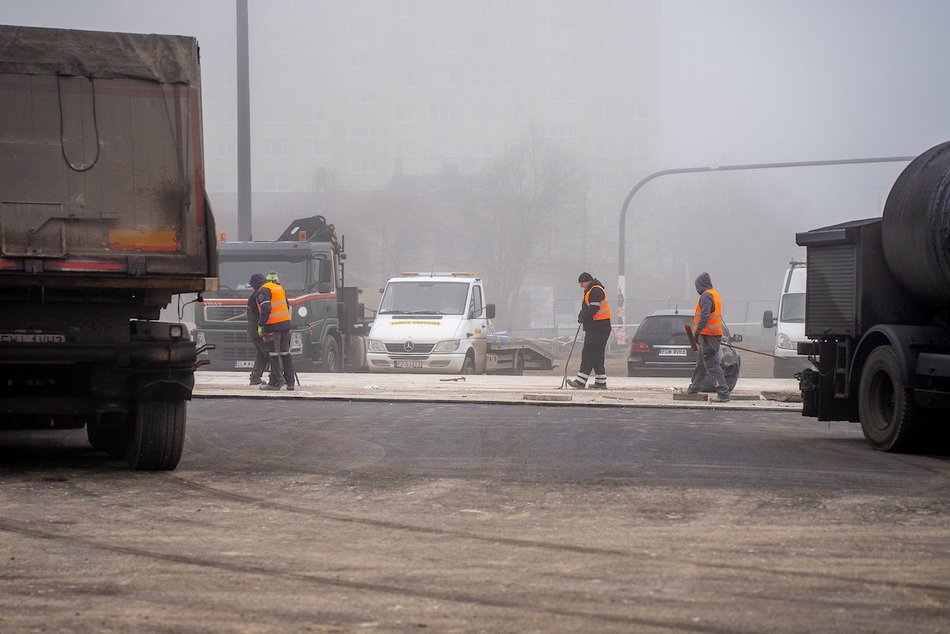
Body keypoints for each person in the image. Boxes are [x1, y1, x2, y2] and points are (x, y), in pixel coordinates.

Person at [686, 272, 731, 402]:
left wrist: (697, 332)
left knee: (711, 364)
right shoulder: (714, 294)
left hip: (708, 336)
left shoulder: (706, 296)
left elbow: (705, 316)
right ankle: (694, 388)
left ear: (701, 285)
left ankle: (723, 394)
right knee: (701, 364)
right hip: (710, 335)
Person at [567, 272, 611, 389]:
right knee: (597, 354)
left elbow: (593, 309)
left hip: (598, 327)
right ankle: (601, 382)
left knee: (588, 353)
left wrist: (584, 317)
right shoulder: (590, 290)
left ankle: (580, 381)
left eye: (582, 283)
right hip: (598, 327)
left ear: (587, 281)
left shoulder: (596, 290)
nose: (581, 286)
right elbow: (587, 307)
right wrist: (582, 314)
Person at [256, 269, 296, 391]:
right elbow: (287, 305)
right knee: (285, 354)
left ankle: (275, 382)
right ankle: (290, 382)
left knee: (273, 355)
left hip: (273, 327)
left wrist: (261, 325)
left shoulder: (263, 290)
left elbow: (266, 308)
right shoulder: (279, 288)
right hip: (285, 326)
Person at [246, 272, 270, 386]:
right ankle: (277, 376)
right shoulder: (259, 295)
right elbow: (261, 313)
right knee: (268, 353)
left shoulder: (254, 295)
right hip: (258, 330)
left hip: (253, 329)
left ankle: (255, 377)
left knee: (261, 354)